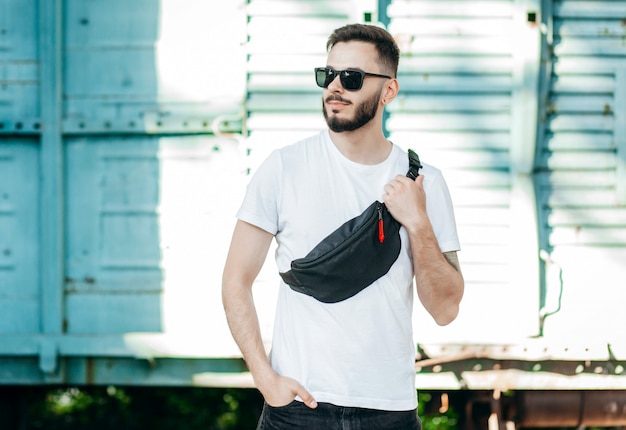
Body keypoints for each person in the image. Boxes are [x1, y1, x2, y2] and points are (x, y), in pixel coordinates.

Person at [222, 23, 464, 430]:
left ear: (389, 90)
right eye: (327, 75)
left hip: (389, 410)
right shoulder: (284, 168)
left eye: (351, 78)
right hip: (299, 408)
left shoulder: (424, 183)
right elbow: (235, 280)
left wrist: (418, 222)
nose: (335, 87)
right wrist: (265, 380)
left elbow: (445, 309)